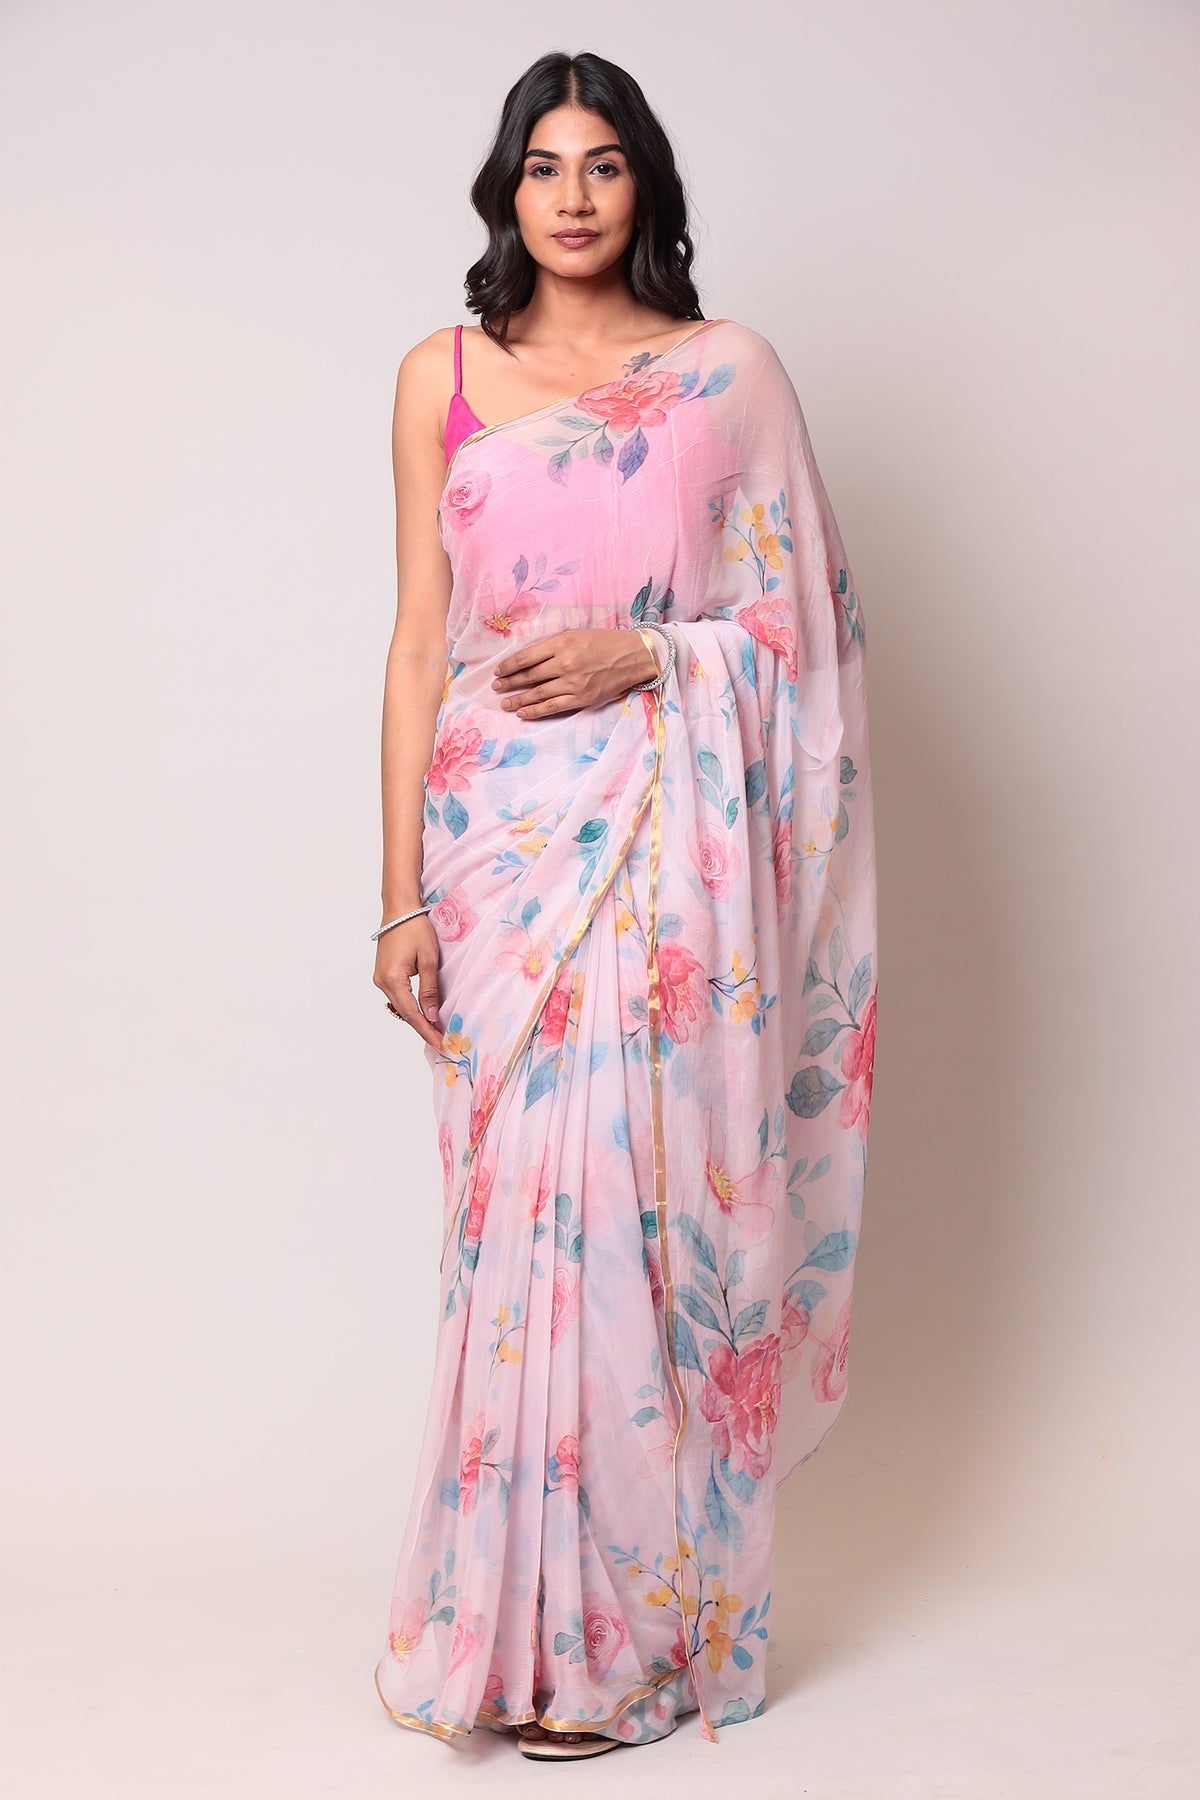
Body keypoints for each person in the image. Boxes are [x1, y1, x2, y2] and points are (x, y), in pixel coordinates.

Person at [371, 49, 878, 1763]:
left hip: (669, 850)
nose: (573, 195)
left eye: (602, 164)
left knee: (636, 1219)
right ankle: (509, 1632)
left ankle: (625, 1646)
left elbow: (804, 630)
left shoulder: (726, 376)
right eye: (543, 165)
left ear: (644, 184)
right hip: (494, 855)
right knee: (515, 1233)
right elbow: (417, 647)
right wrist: (395, 900)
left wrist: (650, 654)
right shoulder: (440, 377)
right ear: (506, 191)